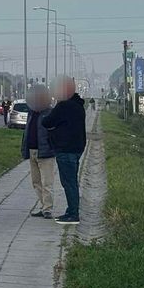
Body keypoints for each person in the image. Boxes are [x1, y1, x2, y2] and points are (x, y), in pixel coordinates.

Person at [42, 77, 85, 225]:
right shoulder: (78, 105)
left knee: (69, 182)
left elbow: (47, 122)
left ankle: (73, 214)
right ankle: (72, 210)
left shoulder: (63, 106)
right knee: (72, 181)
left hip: (65, 148)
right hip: (77, 148)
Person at [21, 85, 55, 218]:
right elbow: (27, 132)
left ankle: (48, 208)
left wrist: (52, 146)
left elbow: (54, 132)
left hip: (45, 152)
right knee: (36, 181)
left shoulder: (49, 112)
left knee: (47, 182)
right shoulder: (31, 113)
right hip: (32, 151)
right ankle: (43, 205)